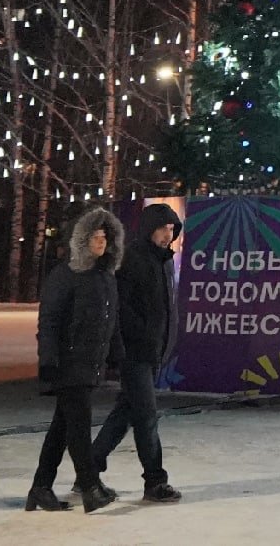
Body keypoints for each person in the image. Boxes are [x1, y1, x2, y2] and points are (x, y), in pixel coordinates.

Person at [27, 206, 123, 514]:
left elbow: (110, 322)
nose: (101, 242)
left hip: (89, 362)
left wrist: (116, 354)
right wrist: (49, 358)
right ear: (82, 241)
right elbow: (50, 320)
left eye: (104, 237)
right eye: (95, 237)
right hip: (68, 363)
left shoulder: (104, 277)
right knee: (79, 427)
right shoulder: (66, 275)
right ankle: (90, 486)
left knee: (62, 427)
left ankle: (41, 487)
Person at [90, 203, 182, 503]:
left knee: (126, 412)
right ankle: (155, 481)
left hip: (152, 351)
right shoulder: (132, 259)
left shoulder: (164, 261)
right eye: (163, 229)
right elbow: (120, 307)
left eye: (172, 229)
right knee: (145, 415)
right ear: (149, 228)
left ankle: (88, 469)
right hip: (133, 352)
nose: (168, 235)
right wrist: (138, 336)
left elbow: (164, 309)